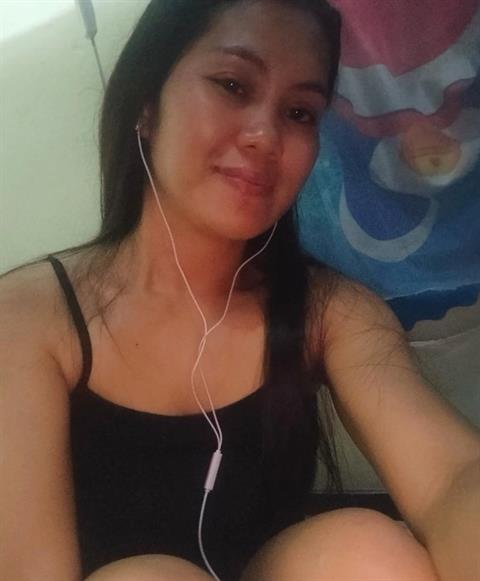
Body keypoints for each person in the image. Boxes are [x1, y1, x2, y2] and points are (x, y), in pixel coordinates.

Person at [1, 1, 479, 580]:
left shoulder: (332, 312)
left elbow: (451, 478)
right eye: (233, 85)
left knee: (367, 551)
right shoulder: (29, 319)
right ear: (147, 105)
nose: (264, 136)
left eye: (299, 113)